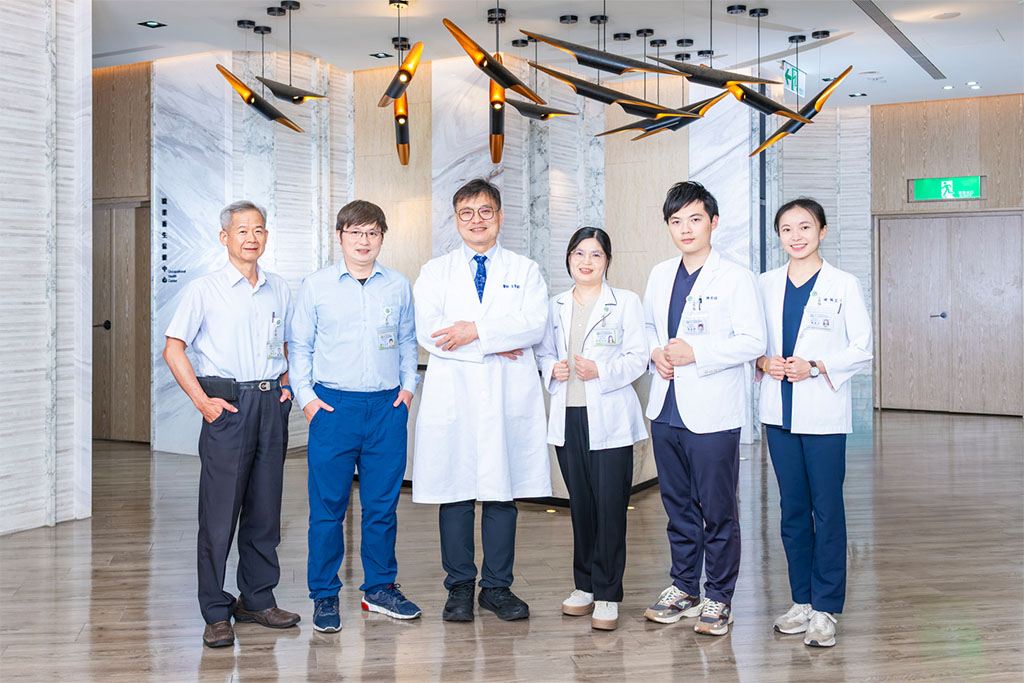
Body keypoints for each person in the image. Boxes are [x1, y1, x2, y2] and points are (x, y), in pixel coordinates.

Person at [412, 178, 550, 622]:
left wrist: (473, 332)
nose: (477, 220)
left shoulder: (525, 270)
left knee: (501, 495)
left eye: (485, 211)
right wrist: (495, 341)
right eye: (467, 213)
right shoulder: (435, 272)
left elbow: (534, 325)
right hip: (455, 398)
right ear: (456, 220)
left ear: (500, 217)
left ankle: (496, 588)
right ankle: (458, 587)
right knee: (454, 493)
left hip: (507, 399)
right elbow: (431, 333)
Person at [163, 200, 300, 648]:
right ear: (225, 238)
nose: (251, 238)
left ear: (266, 236)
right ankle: (215, 611)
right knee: (219, 515)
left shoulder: (279, 288)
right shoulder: (204, 290)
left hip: (270, 406)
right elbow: (173, 348)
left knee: (265, 511)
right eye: (242, 231)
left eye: (258, 230)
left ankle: (257, 599)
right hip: (229, 407)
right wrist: (202, 402)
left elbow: (287, 343)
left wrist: (286, 385)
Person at [289, 200, 420, 633]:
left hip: (386, 408)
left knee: (381, 507)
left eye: (372, 233)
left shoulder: (397, 285)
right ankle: (324, 595)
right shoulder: (316, 286)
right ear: (340, 236)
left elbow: (407, 340)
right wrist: (308, 400)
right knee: (327, 510)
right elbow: (300, 346)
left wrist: (407, 389)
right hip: (332, 407)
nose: (364, 241)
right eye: (355, 232)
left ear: (382, 237)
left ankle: (379, 589)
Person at [641, 181, 766, 636]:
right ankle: (684, 588)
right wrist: (655, 352)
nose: (685, 229)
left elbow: (753, 341)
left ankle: (719, 595)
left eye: (695, 219)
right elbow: (648, 328)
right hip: (666, 409)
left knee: (718, 510)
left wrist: (698, 353)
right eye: (676, 221)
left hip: (712, 412)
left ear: (713, 222)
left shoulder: (734, 277)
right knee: (678, 508)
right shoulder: (660, 274)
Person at [755, 198, 872, 648]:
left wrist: (818, 365)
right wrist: (763, 361)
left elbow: (861, 347)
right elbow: (752, 342)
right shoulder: (765, 284)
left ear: (822, 231)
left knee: (827, 510)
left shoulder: (843, 284)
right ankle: (801, 601)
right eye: (787, 229)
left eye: (805, 227)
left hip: (822, 413)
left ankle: (825, 608)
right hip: (779, 413)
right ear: (779, 236)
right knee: (792, 511)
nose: (796, 236)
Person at [534, 227, 648, 631]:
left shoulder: (625, 302)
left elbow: (639, 358)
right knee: (581, 505)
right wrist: (552, 368)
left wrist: (602, 370)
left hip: (610, 418)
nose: (586, 261)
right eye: (579, 253)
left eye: (596, 255)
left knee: (610, 507)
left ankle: (608, 594)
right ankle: (583, 585)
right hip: (568, 416)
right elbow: (542, 353)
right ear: (569, 258)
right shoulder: (554, 305)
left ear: (607, 261)